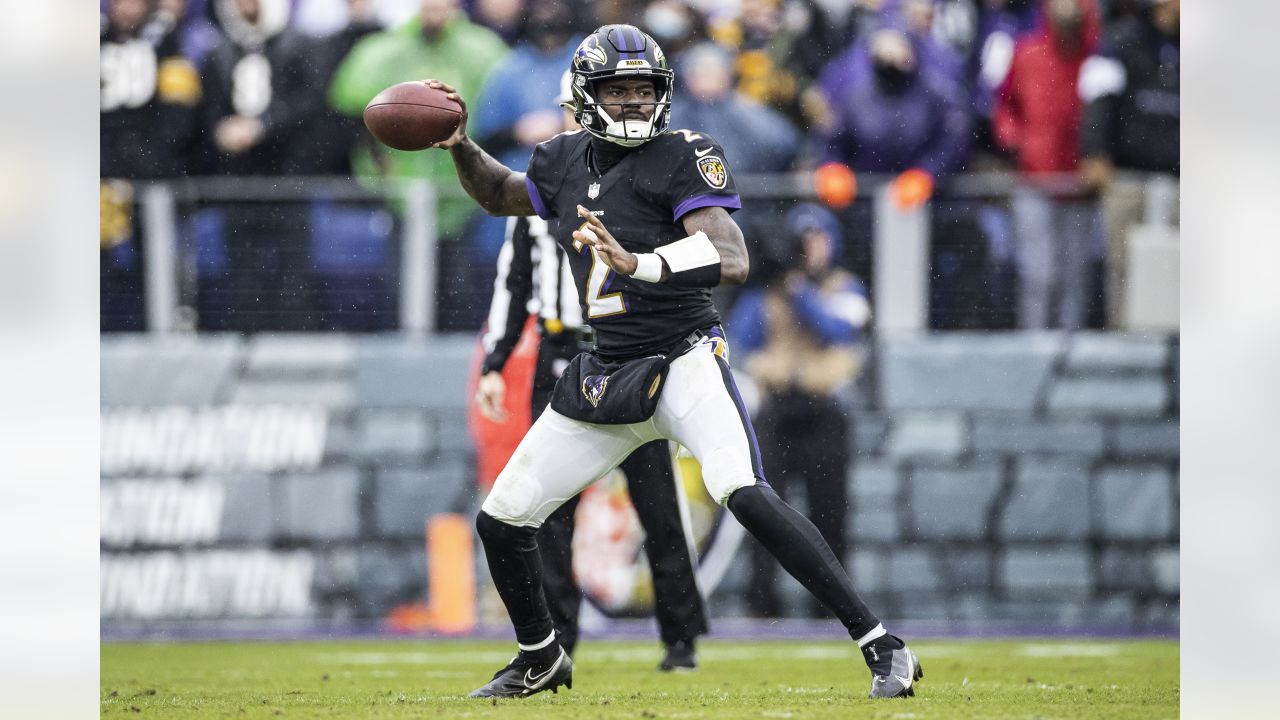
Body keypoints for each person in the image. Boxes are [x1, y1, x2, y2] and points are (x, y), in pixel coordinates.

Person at [425, 24, 921, 700]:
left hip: (682, 358)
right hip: (604, 372)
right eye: (616, 90)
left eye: (641, 89)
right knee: (502, 518)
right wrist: (459, 145)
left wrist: (640, 263)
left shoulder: (684, 153)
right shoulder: (561, 158)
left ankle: (881, 644)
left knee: (743, 492)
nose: (631, 102)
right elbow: (497, 192)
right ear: (584, 93)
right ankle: (540, 654)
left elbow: (732, 256)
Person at [473, 71, 709, 671]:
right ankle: (557, 639)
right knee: (548, 511)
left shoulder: (643, 175)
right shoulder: (542, 179)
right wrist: (497, 363)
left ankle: (680, 637)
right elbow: (514, 283)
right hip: (559, 354)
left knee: (656, 498)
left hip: (627, 352)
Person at [327, 0, 509, 329]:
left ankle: (457, 364)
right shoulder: (385, 49)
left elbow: (500, 119)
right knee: (400, 285)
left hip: (461, 190)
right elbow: (351, 107)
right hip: (402, 191)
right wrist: (379, 163)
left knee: (459, 289)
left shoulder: (483, 49)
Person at [728, 204, 870, 619]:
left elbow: (838, 330)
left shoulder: (846, 288)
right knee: (764, 513)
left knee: (830, 514)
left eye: (817, 239)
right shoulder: (765, 292)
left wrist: (801, 292)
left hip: (824, 412)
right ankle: (761, 602)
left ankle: (830, 607)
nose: (810, 249)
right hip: (776, 411)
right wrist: (772, 284)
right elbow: (743, 338)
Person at [993, 0, 1102, 329]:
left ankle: (1071, 353)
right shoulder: (1027, 54)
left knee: (1074, 275)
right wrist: (1016, 141)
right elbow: (1004, 108)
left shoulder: (1097, 61)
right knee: (1037, 274)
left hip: (1080, 184)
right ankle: (1034, 347)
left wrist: (1099, 157)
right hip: (1035, 179)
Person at [1078, 0, 1179, 327]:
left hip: (1181, 178)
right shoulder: (1121, 40)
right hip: (1127, 175)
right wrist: (1095, 152)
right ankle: (1122, 350)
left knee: (1184, 266)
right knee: (1122, 264)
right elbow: (1098, 98)